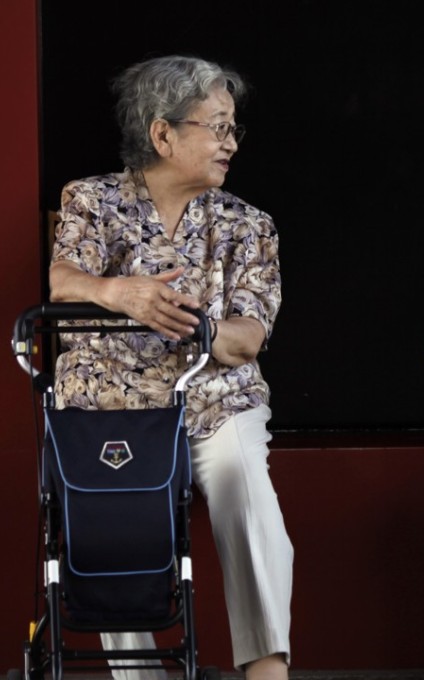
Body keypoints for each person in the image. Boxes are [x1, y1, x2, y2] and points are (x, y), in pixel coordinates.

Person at [49, 55, 292, 680]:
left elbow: (250, 336)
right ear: (164, 134)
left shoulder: (249, 225)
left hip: (214, 401)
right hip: (110, 410)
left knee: (249, 498)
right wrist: (120, 292)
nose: (231, 142)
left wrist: (202, 328)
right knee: (108, 522)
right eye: (217, 126)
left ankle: (268, 672)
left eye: (233, 127)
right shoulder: (91, 200)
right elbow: (61, 280)